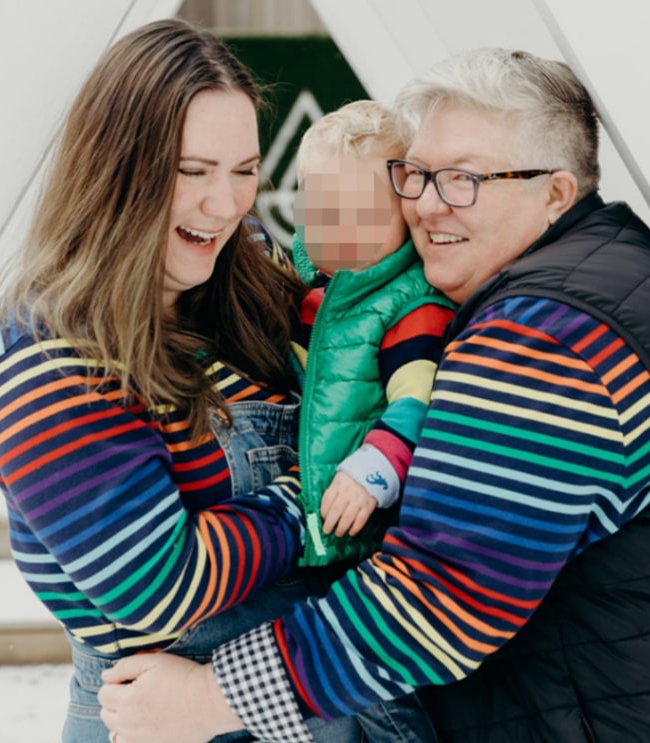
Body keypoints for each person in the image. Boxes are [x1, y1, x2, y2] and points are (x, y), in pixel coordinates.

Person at [99, 46, 650, 743]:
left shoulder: (544, 337)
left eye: (463, 178)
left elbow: (440, 590)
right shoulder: (597, 278)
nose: (426, 204)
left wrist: (210, 697)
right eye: (417, 174)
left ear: (556, 192)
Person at [0, 19, 354, 743]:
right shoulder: (45, 352)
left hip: (302, 701)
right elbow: (161, 589)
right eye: (193, 171)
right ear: (117, 165)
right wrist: (319, 493)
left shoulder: (248, 265)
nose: (227, 203)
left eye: (245, 169)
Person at [290, 100, 456, 741]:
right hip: (321, 534)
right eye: (321, 208)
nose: (336, 227)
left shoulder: (407, 305)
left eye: (361, 214)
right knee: (328, 700)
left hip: (371, 536)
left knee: (375, 688)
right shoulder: (319, 295)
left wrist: (372, 472)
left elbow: (416, 400)